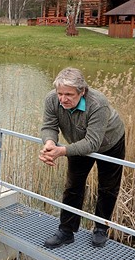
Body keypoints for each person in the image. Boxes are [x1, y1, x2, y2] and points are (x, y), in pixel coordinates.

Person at [39, 67, 125, 249]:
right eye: (60, 93)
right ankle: (66, 231)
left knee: (107, 187)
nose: (63, 99)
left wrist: (61, 151)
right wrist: (49, 143)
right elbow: (49, 126)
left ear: (82, 91)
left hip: (109, 143)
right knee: (72, 186)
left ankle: (101, 228)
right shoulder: (52, 100)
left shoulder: (97, 104)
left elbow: (92, 143)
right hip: (77, 143)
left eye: (69, 94)